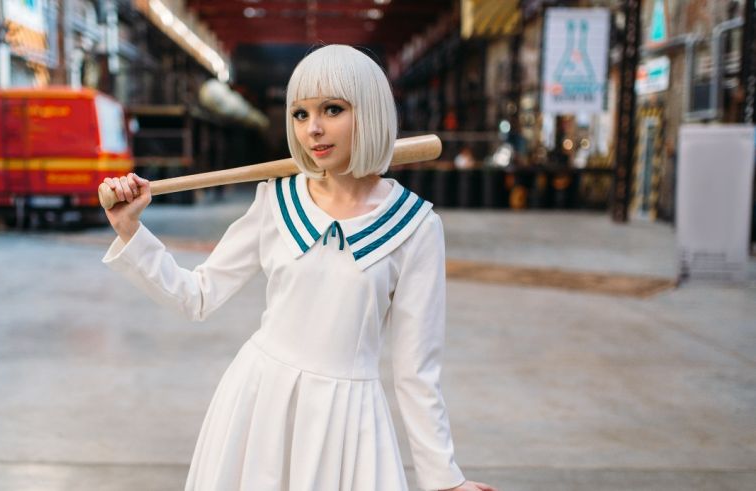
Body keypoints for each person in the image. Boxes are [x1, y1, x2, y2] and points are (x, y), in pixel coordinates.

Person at [101, 44, 497, 491]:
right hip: (258, 405)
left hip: (347, 423)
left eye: (332, 109)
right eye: (300, 114)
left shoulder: (416, 228)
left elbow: (415, 372)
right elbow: (198, 296)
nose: (314, 128)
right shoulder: (276, 201)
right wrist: (131, 231)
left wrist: (444, 478)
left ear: (369, 112)